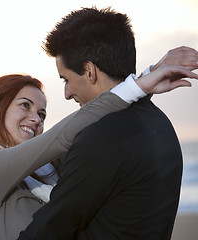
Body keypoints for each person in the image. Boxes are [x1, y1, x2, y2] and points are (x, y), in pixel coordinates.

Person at [17, 7, 198, 240]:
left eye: (67, 80)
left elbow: (52, 228)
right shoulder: (160, 124)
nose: (66, 93)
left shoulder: (101, 138)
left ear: (90, 71)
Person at [0, 65, 197, 239]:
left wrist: (154, 74)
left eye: (42, 115)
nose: (35, 119)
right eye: (25, 105)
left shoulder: (46, 169)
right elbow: (66, 133)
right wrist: (139, 85)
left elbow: (94, 127)